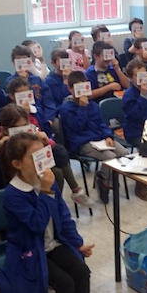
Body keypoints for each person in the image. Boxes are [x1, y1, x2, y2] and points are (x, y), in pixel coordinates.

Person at [0, 133, 94, 293]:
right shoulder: (13, 194)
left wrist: (77, 242)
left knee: (82, 271)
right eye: (35, 155)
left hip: (53, 244)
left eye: (44, 152)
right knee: (65, 283)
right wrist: (45, 191)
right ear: (17, 164)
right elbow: (36, 225)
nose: (43, 159)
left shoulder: (46, 182)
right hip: (28, 251)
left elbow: (64, 217)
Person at [0, 104, 89, 205]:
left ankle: (57, 204)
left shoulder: (32, 143)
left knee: (56, 173)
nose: (23, 132)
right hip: (13, 199)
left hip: (36, 191)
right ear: (4, 130)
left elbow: (62, 158)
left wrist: (47, 143)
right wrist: (0, 151)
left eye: (26, 126)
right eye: (17, 128)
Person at [59, 71, 129, 204]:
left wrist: (108, 136)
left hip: (100, 139)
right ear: (70, 89)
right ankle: (105, 182)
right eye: (77, 89)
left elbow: (101, 123)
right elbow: (76, 128)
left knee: (124, 153)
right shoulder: (66, 108)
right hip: (81, 142)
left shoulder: (93, 105)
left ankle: (103, 179)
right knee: (111, 157)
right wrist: (82, 108)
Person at [10, 45, 58, 136]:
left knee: (55, 125)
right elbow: (9, 103)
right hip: (20, 118)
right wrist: (21, 80)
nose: (22, 64)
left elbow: (48, 101)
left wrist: (48, 118)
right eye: (19, 61)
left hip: (41, 116)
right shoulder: (10, 81)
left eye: (25, 60)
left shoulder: (37, 80)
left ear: (30, 61)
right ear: (14, 63)